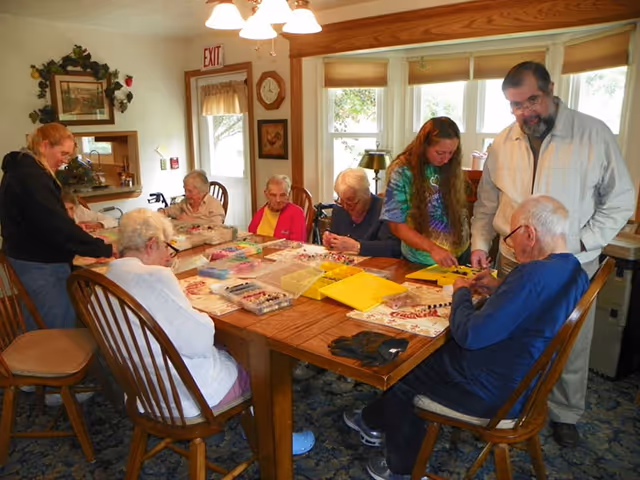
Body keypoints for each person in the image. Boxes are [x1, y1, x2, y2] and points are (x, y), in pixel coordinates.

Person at [344, 196, 589, 480]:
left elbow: (470, 335)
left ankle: (401, 468)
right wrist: (502, 288)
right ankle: (372, 420)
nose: (511, 245)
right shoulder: (574, 271)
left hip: (494, 394)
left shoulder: (531, 273)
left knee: (404, 366)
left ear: (530, 234)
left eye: (510, 237)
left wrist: (460, 291)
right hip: (526, 382)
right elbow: (540, 305)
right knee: (427, 356)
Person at [470, 61, 636, 447]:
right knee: (508, 333)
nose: (523, 113)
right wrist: (480, 245)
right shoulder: (502, 141)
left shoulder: (592, 133)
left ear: (550, 90)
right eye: (514, 105)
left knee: (569, 340)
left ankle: (565, 413)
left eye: (531, 101)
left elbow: (621, 199)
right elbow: (486, 204)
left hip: (570, 262)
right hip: (513, 258)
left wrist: (583, 241)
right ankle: (504, 403)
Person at [105, 209, 315, 453]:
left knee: (230, 347)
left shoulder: (107, 277)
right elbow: (200, 341)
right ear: (151, 244)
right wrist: (197, 314)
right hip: (189, 396)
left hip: (146, 391)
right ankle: (278, 438)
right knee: (263, 361)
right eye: (166, 247)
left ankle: (256, 421)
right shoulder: (155, 277)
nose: (167, 256)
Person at [0, 123, 113, 330]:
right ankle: (55, 360)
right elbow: (58, 226)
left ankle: (34, 357)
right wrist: (102, 248)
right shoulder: (32, 176)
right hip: (41, 264)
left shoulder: (22, 169)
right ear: (44, 146)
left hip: (25, 257)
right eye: (63, 153)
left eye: (68, 156)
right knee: (56, 325)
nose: (64, 161)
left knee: (36, 316)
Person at [381, 116, 469, 267]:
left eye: (451, 153)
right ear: (424, 146)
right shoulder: (402, 171)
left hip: (459, 254)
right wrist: (433, 248)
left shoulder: (450, 165)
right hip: (420, 260)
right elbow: (396, 226)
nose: (446, 159)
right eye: (440, 153)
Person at [323, 168, 401, 258]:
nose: (345, 206)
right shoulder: (339, 209)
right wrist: (330, 240)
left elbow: (393, 248)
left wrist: (357, 246)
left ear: (366, 194)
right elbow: (336, 241)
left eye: (350, 201)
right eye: (341, 200)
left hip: (376, 268)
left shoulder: (386, 209)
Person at [248, 175, 306, 241]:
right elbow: (250, 237)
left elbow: (297, 244)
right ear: (266, 195)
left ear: (288, 195)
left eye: (282, 195)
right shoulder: (260, 213)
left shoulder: (297, 213)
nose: (278, 200)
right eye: (273, 195)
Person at [160, 170, 225, 224]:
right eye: (185, 190)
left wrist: (192, 221)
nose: (186, 194)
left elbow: (217, 225)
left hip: (204, 238)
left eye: (190, 191)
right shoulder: (185, 202)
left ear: (201, 191)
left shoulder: (214, 204)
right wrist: (158, 214)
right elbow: (168, 211)